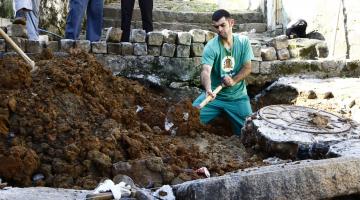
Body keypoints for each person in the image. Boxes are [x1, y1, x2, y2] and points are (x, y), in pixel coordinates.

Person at [192, 9, 254, 136]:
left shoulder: (243, 42)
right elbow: (205, 71)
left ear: (231, 22)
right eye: (216, 27)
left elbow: (247, 68)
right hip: (213, 97)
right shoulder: (211, 46)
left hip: (237, 98)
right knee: (189, 119)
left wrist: (233, 80)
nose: (219, 29)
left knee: (249, 131)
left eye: (222, 25)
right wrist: (208, 89)